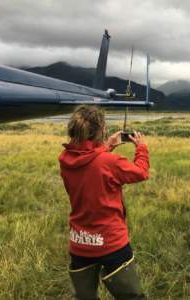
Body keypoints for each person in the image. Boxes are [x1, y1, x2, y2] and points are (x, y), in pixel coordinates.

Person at [58, 105, 149, 300]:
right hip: (112, 243)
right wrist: (141, 147)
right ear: (101, 130)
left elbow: (88, 163)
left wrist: (106, 146)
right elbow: (141, 172)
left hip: (80, 242)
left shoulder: (65, 159)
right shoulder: (109, 162)